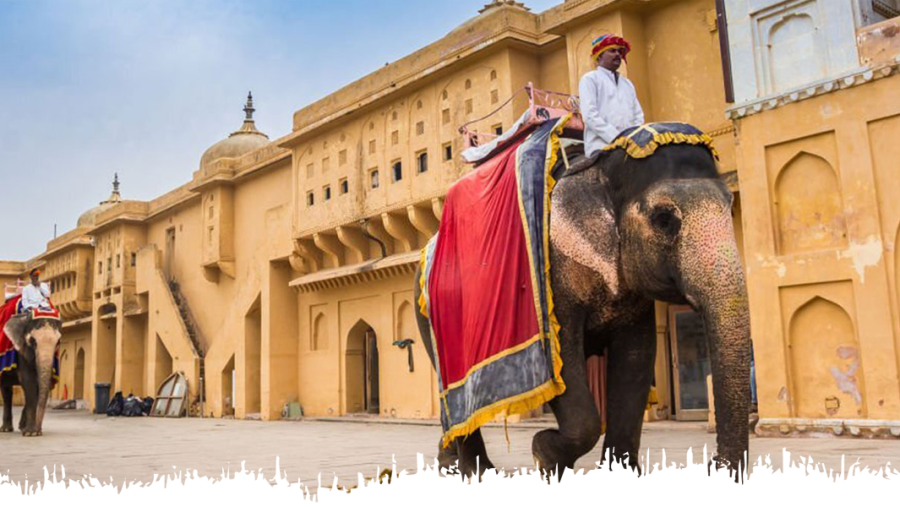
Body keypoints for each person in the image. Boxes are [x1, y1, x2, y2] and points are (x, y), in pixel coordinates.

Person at [579, 33, 645, 157]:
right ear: (599, 57)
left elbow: (638, 116)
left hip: (629, 147)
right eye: (612, 51)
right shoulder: (590, 79)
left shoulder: (627, 83)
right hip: (601, 146)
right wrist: (617, 138)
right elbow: (590, 116)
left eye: (619, 51)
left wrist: (633, 138)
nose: (617, 55)